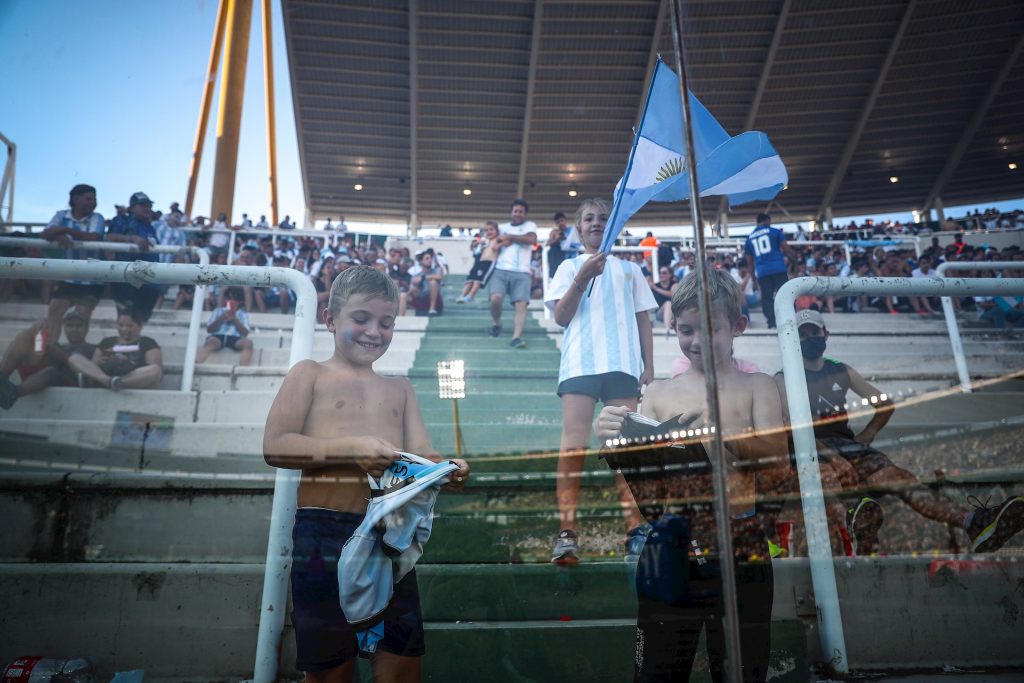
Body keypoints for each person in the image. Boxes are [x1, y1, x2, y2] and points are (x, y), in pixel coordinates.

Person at [262, 266, 469, 681]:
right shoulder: (309, 373)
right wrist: (350, 449)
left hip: (390, 535)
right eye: (361, 319)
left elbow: (422, 451)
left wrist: (445, 468)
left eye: (386, 323)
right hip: (323, 532)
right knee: (329, 668)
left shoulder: (400, 388)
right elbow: (275, 444)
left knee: (401, 663)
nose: (374, 331)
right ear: (330, 318)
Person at [595, 268, 790, 683]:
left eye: (711, 329)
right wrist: (612, 438)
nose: (697, 341)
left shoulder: (758, 386)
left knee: (741, 669)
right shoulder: (658, 393)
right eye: (686, 330)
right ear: (673, 327)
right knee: (657, 670)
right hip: (671, 540)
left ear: (738, 326)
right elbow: (644, 480)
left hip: (739, 539)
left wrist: (721, 438)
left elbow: (777, 461)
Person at [774, 309, 1024, 555]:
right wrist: (835, 457)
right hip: (809, 450)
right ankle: (853, 527)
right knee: (826, 475)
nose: (810, 338)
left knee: (898, 477)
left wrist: (869, 433)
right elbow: (792, 428)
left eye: (814, 332)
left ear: (825, 334)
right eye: (803, 334)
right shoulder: (784, 377)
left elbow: (884, 403)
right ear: (794, 339)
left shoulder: (841, 370)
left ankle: (972, 522)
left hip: (847, 447)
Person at [545, 198, 656, 564]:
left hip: (623, 364)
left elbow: (643, 319)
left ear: (614, 226)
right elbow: (561, 317)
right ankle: (566, 533)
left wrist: (649, 365)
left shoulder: (631, 270)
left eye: (604, 218)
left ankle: (635, 529)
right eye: (589, 218)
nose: (596, 223)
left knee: (624, 449)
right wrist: (583, 277)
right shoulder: (568, 267)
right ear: (579, 228)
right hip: (580, 364)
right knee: (573, 446)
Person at [39, 184, 106, 338]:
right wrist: (58, 235)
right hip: (69, 277)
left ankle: (76, 349)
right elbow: (45, 233)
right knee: (55, 310)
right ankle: (52, 347)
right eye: (88, 199)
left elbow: (94, 237)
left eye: (94, 199)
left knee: (81, 316)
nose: (93, 203)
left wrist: (64, 230)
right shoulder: (61, 215)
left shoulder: (97, 218)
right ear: (75, 199)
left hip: (92, 280)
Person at [0, 309, 96, 409]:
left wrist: (61, 356)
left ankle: (12, 393)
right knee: (24, 336)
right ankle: (1, 377)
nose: (74, 329)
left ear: (87, 328)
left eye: (78, 326)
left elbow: (91, 374)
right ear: (64, 327)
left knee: (51, 371)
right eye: (70, 326)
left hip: (66, 380)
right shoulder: (59, 346)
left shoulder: (93, 349)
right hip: (39, 375)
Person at [68, 305, 163, 390]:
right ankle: (108, 381)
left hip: (131, 376)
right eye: (121, 325)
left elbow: (154, 366)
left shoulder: (148, 343)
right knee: (74, 357)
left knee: (156, 370)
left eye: (129, 326)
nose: (124, 329)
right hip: (105, 374)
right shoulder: (107, 341)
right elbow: (93, 363)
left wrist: (129, 362)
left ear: (140, 326)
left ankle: (117, 382)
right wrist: (101, 361)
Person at [105, 192, 162, 322]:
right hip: (127, 277)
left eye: (149, 205)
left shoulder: (150, 228)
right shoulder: (122, 220)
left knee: (141, 320)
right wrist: (132, 238)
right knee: (125, 318)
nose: (147, 208)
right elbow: (109, 237)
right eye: (143, 205)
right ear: (131, 208)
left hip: (149, 281)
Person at [488, 199, 537, 348]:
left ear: (525, 214)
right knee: (495, 299)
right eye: (515, 211)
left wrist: (509, 237)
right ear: (511, 212)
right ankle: (497, 323)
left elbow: (531, 239)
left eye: (521, 211)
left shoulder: (530, 226)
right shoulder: (502, 227)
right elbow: (491, 240)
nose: (517, 214)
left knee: (521, 305)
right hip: (500, 269)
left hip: (523, 271)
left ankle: (516, 337)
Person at [744, 212, 796, 329]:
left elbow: (749, 262)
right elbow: (786, 249)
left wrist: (754, 279)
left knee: (767, 298)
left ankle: (772, 322)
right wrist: (795, 260)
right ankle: (790, 320)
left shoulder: (749, 239)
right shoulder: (775, 232)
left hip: (762, 272)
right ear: (767, 220)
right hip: (778, 268)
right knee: (786, 294)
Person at [195, 287, 254, 366]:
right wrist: (221, 319)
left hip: (235, 338)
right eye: (229, 298)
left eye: (235, 299)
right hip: (218, 336)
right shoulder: (218, 311)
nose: (231, 301)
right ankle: (196, 364)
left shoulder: (243, 314)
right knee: (210, 342)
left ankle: (243, 368)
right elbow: (209, 330)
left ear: (240, 302)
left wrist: (235, 320)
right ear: (225, 299)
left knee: (248, 344)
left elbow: (245, 333)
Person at [457, 221, 499, 304]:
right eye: (487, 230)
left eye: (491, 230)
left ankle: (470, 296)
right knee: (470, 279)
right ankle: (462, 295)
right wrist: (478, 243)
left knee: (478, 280)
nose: (489, 232)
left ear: (497, 231)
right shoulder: (485, 240)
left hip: (489, 262)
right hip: (480, 261)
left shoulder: (498, 239)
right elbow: (473, 246)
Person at [407, 250, 444, 316]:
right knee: (404, 295)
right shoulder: (417, 274)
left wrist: (424, 277)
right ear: (421, 261)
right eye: (427, 259)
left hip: (435, 300)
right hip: (422, 298)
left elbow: (439, 276)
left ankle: (432, 309)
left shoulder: (437, 270)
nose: (430, 260)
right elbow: (414, 281)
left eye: (430, 258)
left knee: (433, 282)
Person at [648, 263, 677, 337]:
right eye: (660, 273)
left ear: (670, 275)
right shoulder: (655, 285)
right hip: (659, 313)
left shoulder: (674, 285)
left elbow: (672, 294)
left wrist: (656, 289)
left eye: (664, 273)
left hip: (674, 313)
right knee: (668, 304)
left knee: (669, 303)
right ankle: (667, 329)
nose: (661, 275)